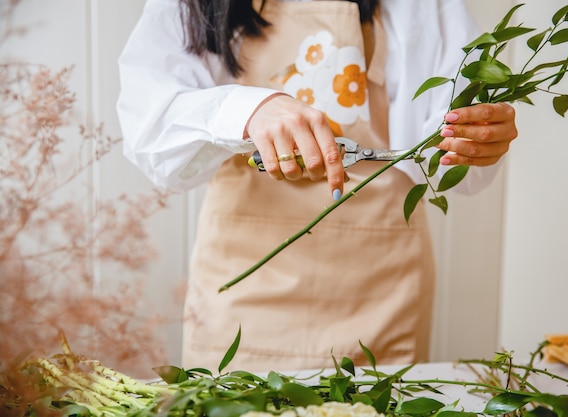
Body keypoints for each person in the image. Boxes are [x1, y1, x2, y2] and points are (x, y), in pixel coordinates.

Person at [117, 0, 518, 372]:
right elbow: (149, 131)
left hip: (384, 291)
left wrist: (476, 137)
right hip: (244, 293)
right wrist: (246, 109)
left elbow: (457, 148)